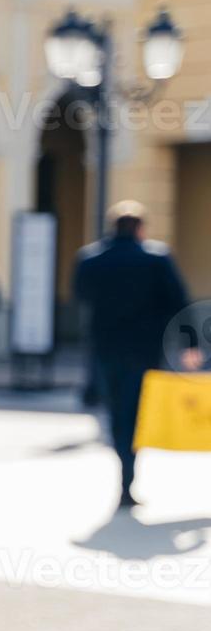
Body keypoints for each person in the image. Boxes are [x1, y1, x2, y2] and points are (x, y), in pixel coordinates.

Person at [74, 201, 202, 508]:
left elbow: (80, 295)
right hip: (144, 350)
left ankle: (124, 476)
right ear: (140, 229)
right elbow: (179, 301)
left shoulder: (91, 259)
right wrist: (190, 343)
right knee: (134, 415)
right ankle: (127, 481)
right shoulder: (156, 258)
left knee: (116, 413)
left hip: (104, 348)